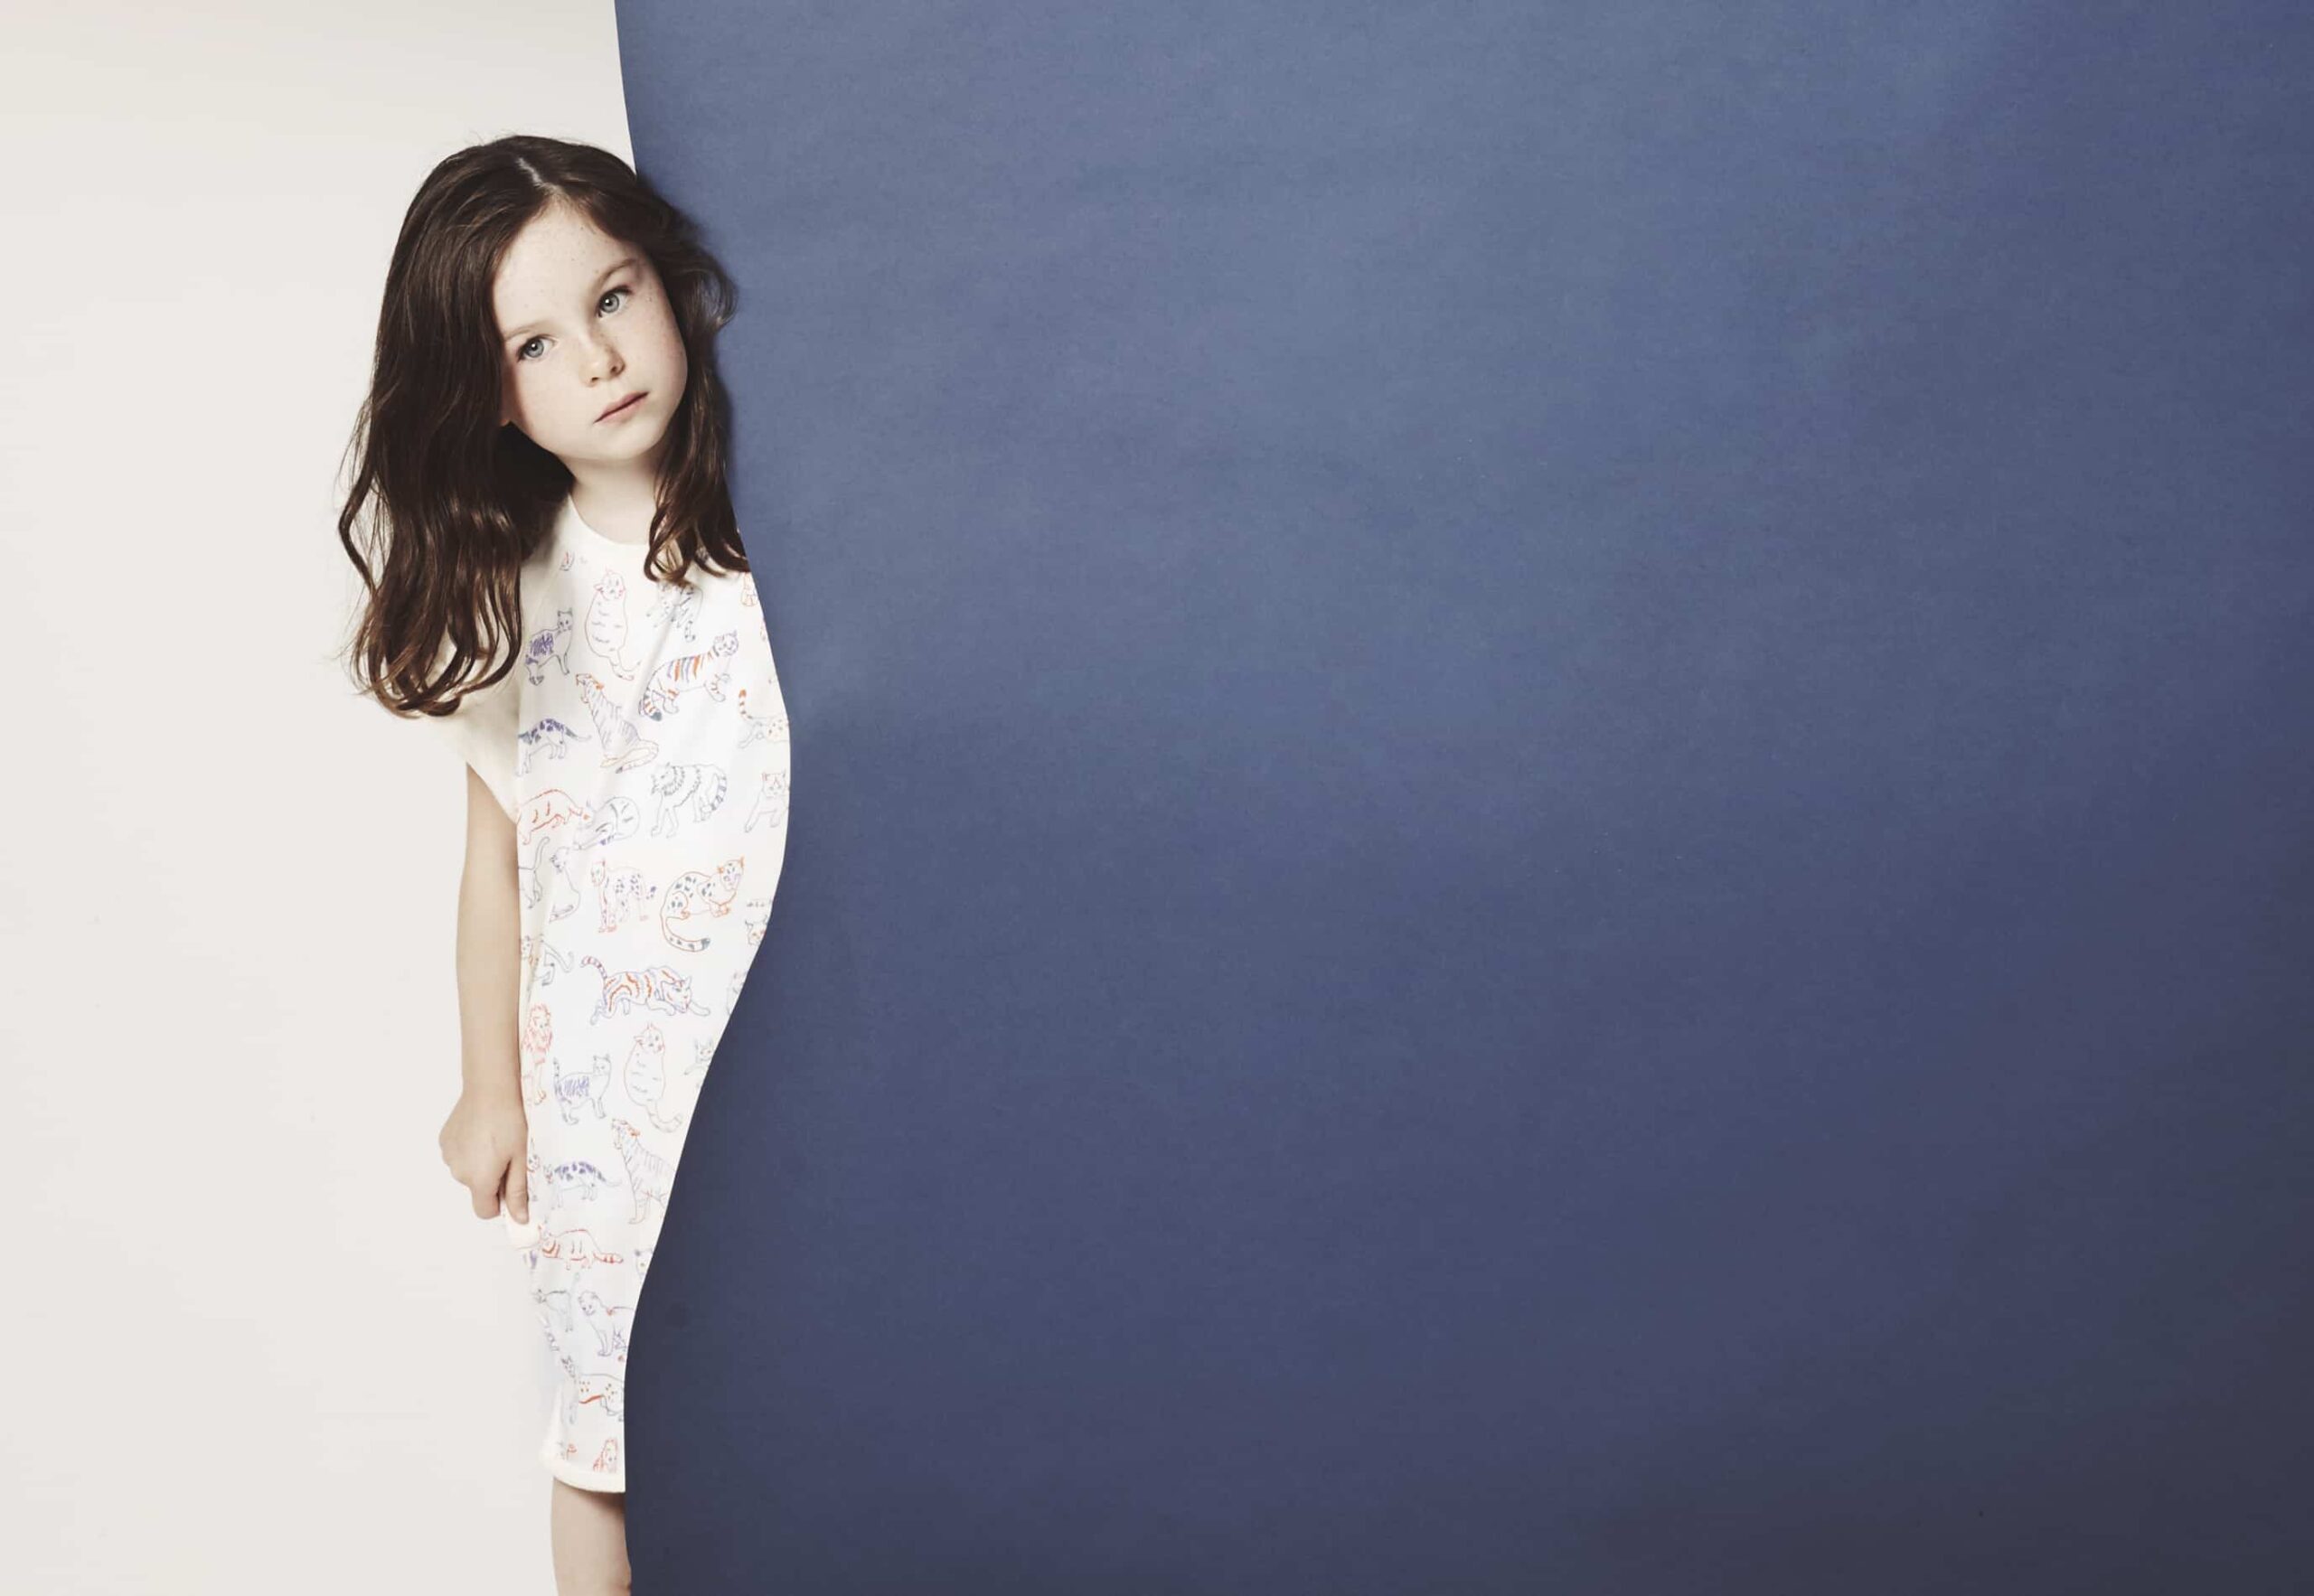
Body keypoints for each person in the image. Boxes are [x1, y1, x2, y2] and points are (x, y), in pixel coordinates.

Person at [336, 135, 790, 1596]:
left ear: (668, 281)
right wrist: (492, 1086)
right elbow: (498, 866)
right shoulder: (517, 596)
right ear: (489, 394)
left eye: (614, 297)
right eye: (536, 343)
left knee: (797, 1406)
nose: (598, 359)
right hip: (604, 1096)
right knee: (604, 1436)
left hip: (769, 1056)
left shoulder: (785, 541)